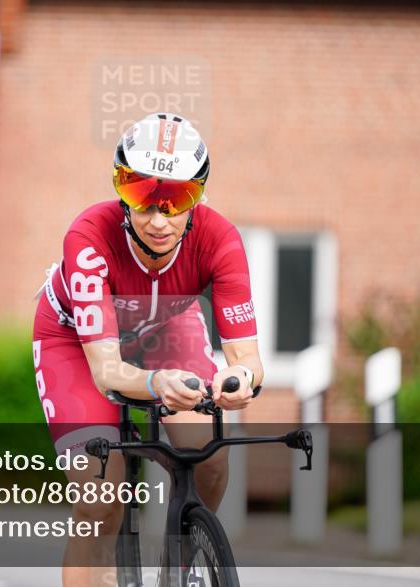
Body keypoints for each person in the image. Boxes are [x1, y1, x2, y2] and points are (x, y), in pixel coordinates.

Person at [32, 112, 264, 586]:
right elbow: (107, 371)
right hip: (76, 343)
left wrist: (238, 383)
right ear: (121, 191)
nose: (159, 220)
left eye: (177, 199)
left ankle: (181, 560)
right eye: (142, 197)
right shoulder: (89, 236)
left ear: (198, 196)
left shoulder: (220, 239)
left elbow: (248, 360)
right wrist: (156, 384)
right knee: (99, 498)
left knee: (210, 458)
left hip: (166, 327)